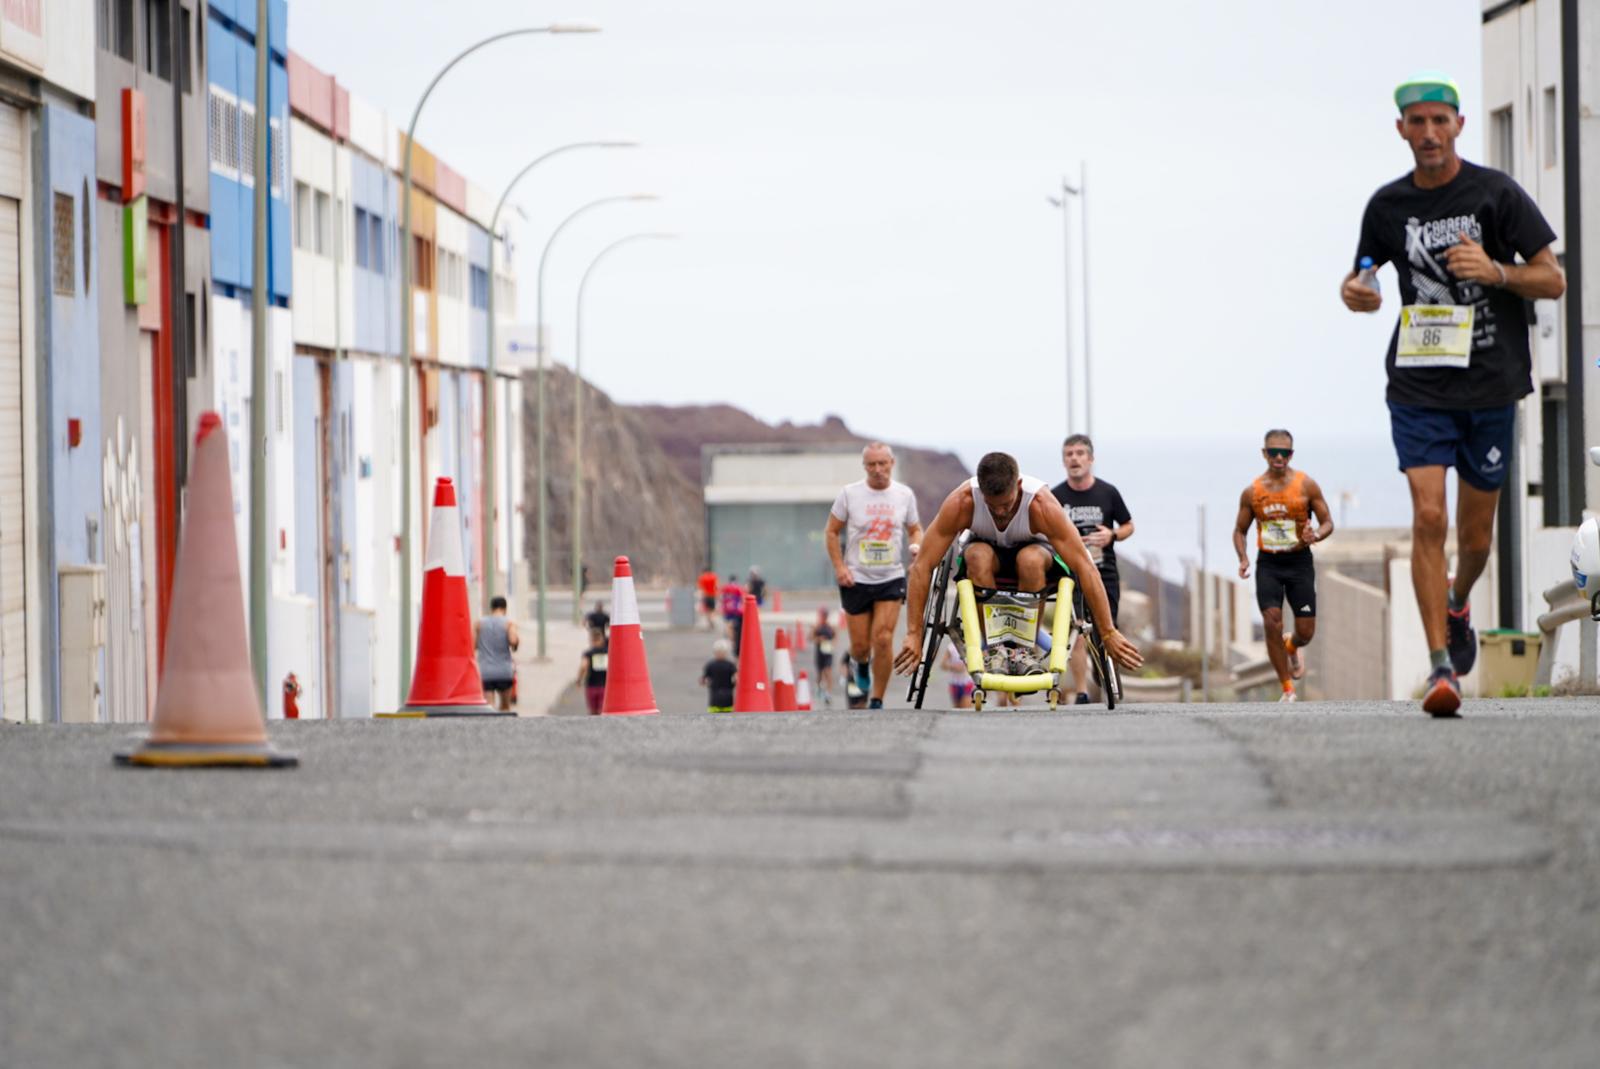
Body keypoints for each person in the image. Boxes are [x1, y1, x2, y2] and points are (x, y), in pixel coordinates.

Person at [1342, 71, 1565, 716]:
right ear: (1402, 130)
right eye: (1419, 122)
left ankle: (1458, 599)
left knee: (1474, 540)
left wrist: (1494, 270)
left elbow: (1553, 280)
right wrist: (1355, 293)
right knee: (1428, 516)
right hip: (1417, 383)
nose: (1430, 133)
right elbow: (1361, 276)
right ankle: (1442, 669)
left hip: (1491, 383)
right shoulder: (1386, 207)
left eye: (1441, 121)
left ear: (1460, 125)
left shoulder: (1497, 194)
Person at [893, 451, 1143, 682]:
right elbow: (923, 566)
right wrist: (914, 634)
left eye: (1006, 504)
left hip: (1035, 554)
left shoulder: (1042, 505)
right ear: (981, 494)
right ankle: (994, 647)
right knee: (977, 556)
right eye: (993, 506)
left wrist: (1108, 632)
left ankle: (1024, 649)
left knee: (1030, 560)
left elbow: (1085, 566)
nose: (1000, 512)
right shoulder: (963, 502)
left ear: (1019, 487)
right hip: (987, 554)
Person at [1232, 430, 1334, 703]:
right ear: (1264, 453)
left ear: (1291, 454)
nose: (1279, 457)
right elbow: (1239, 530)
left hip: (1299, 563)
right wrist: (1243, 558)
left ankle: (1292, 645)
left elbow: (1327, 522)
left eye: (1285, 452)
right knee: (1271, 621)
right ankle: (1287, 687)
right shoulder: (1253, 491)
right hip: (1270, 564)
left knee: (1306, 632)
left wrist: (1317, 535)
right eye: (1273, 452)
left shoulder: (1306, 485)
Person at [825, 442, 924, 709]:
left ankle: (877, 699)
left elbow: (915, 529)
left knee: (882, 638)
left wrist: (916, 546)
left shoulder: (904, 495)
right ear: (864, 466)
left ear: (892, 463)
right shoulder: (850, 494)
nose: (877, 469)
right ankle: (860, 663)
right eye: (872, 464)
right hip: (856, 577)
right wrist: (839, 568)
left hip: (890, 576)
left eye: (882, 463)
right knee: (859, 646)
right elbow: (831, 532)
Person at [1051, 433, 1134, 705]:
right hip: (1070, 573)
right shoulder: (1056, 496)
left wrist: (1112, 535)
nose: (1074, 458)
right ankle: (1082, 691)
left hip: (1103, 570)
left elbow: (1128, 525)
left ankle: (1108, 677)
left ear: (1091, 458)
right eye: (1069, 454)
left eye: (1079, 453)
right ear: (1064, 460)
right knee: (1075, 628)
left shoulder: (1108, 492)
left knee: (1105, 626)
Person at [474, 596, 520, 712]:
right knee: (505, 707)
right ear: (505, 609)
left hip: (485, 671)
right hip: (503, 671)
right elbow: (513, 640)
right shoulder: (509, 623)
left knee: (489, 708)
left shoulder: (479, 624)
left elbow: (473, 645)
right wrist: (516, 643)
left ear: (492, 608)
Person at [576, 628, 608, 715]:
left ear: (591, 640)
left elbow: (583, 666)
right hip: (605, 687)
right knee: (602, 712)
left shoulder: (588, 653)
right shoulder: (608, 652)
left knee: (593, 712)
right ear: (602, 639)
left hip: (591, 686)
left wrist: (579, 680)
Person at [701, 639, 738, 713]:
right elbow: (736, 678)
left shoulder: (710, 665)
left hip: (715, 699)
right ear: (726, 652)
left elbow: (703, 680)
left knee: (714, 719)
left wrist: (707, 683)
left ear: (714, 652)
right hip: (728, 698)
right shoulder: (730, 665)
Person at [812, 606, 837, 706]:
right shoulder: (817, 627)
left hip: (828, 653)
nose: (824, 617)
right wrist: (819, 639)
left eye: (825, 615)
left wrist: (833, 643)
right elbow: (811, 638)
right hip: (819, 653)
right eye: (823, 615)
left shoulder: (831, 627)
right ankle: (818, 687)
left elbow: (835, 637)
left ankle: (828, 693)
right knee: (819, 673)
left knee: (828, 671)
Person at [941, 642, 974, 709]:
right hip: (954, 684)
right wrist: (953, 667)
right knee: (956, 710)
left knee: (965, 710)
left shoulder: (971, 646)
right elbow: (943, 665)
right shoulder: (951, 647)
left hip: (967, 683)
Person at [720, 574, 746, 655]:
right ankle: (733, 639)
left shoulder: (725, 587)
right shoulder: (738, 587)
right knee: (735, 626)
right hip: (735, 609)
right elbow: (742, 597)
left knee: (728, 624)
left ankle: (731, 639)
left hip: (727, 608)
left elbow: (722, 597)